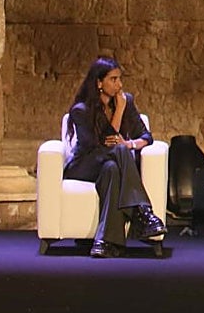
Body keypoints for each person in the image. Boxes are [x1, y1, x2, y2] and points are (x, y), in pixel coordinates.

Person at [63, 56, 166, 257]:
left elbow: (146, 136)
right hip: (85, 165)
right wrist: (118, 111)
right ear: (99, 83)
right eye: (113, 79)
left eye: (120, 79)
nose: (119, 85)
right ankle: (142, 212)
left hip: (108, 166)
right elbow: (98, 145)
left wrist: (130, 144)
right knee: (118, 152)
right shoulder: (81, 110)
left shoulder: (127, 101)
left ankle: (105, 243)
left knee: (112, 169)